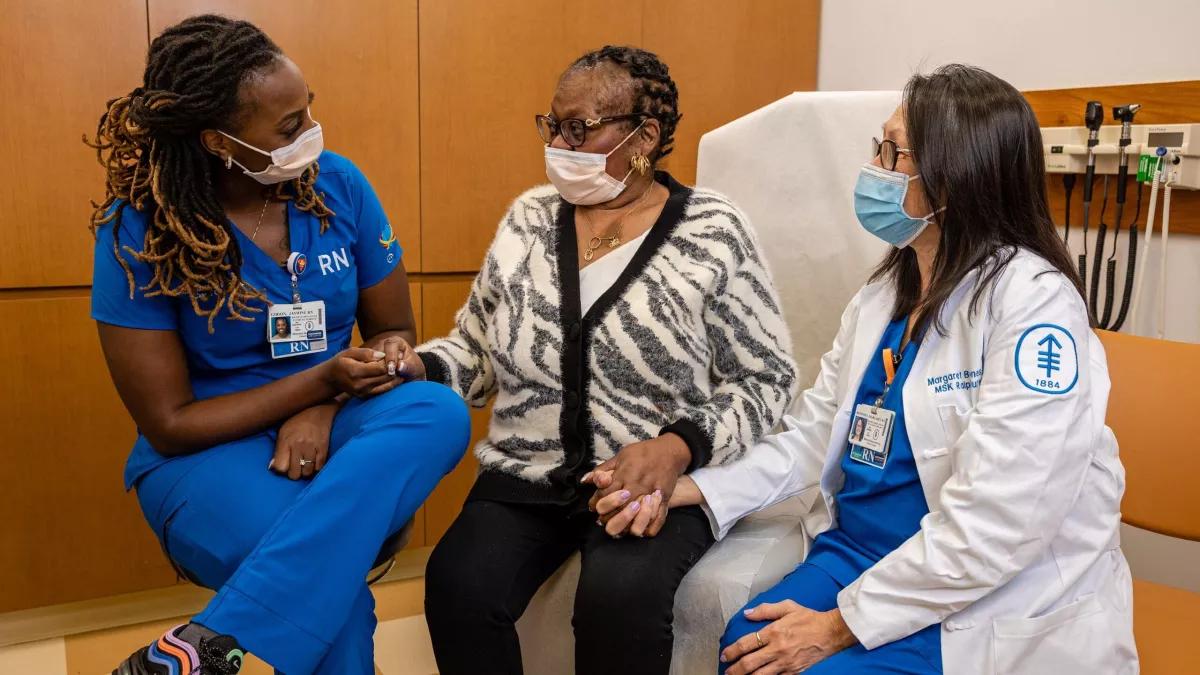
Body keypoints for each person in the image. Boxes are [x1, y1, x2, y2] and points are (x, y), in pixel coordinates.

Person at [595, 64, 1137, 674]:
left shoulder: (1034, 307)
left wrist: (838, 626)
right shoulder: (887, 293)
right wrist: (698, 486)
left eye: (891, 152)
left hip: (971, 592)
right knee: (743, 651)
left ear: (953, 179)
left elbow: (1000, 524)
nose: (874, 168)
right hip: (859, 552)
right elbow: (816, 432)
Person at [87, 15, 470, 675]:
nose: (311, 139)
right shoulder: (141, 228)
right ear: (218, 140)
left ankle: (205, 646)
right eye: (288, 127)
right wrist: (321, 383)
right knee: (336, 596)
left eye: (308, 113)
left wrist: (322, 404)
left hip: (342, 420)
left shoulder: (339, 187)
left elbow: (393, 336)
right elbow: (170, 422)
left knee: (439, 409)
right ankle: (216, 644)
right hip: (208, 450)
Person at [413, 46, 797, 675]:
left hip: (649, 484)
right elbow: (477, 352)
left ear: (644, 136)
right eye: (552, 125)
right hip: (528, 476)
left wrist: (677, 447)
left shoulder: (713, 231)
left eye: (579, 129)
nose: (558, 144)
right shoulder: (529, 220)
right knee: (458, 584)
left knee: (617, 604)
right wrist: (415, 368)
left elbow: (766, 380)